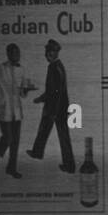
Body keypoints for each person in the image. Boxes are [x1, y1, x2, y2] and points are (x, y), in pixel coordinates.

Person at [27, 39, 75, 172]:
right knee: (46, 130)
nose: (46, 55)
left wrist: (41, 99)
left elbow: (53, 91)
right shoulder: (58, 66)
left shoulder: (54, 67)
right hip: (58, 107)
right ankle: (38, 153)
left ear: (53, 53)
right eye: (47, 52)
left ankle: (69, 166)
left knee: (56, 133)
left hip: (54, 108)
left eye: (48, 52)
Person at [0, 43, 36, 179]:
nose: (17, 55)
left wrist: (25, 91)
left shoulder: (22, 70)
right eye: (14, 53)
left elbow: (22, 93)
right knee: (8, 138)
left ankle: (12, 168)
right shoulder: (1, 69)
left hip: (17, 111)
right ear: (8, 54)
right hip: (4, 110)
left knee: (15, 142)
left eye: (18, 53)